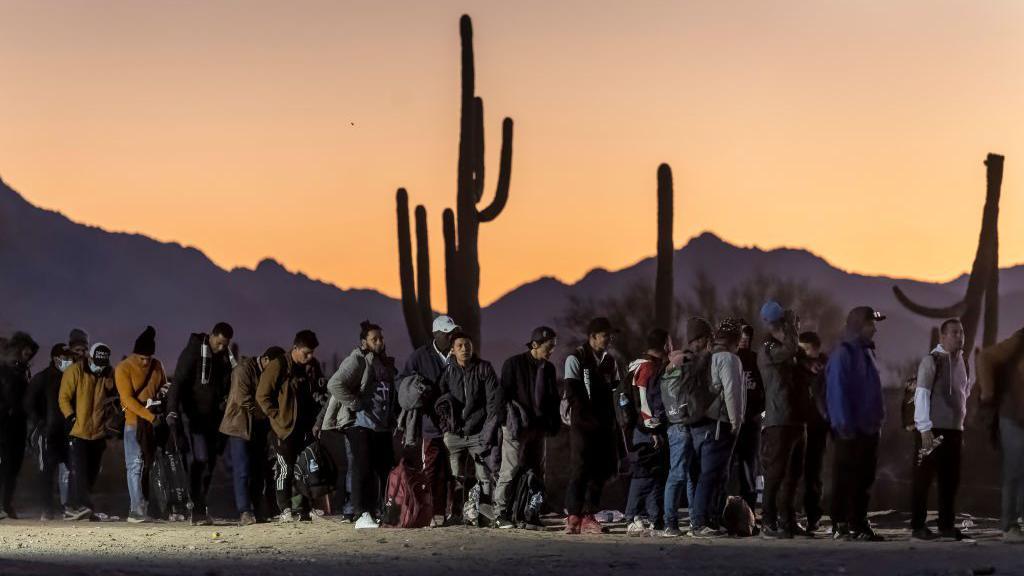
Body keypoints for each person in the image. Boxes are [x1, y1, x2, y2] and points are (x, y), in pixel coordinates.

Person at [318, 321, 398, 530]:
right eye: (374, 339)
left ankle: (382, 509)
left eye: (381, 338)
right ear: (365, 343)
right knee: (363, 468)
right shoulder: (358, 359)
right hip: (360, 424)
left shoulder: (385, 363)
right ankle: (362, 512)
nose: (380, 342)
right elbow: (334, 384)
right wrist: (355, 404)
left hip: (381, 425)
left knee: (385, 467)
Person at [826, 306, 887, 541]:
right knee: (847, 477)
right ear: (859, 326)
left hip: (868, 427)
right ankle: (843, 523)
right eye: (871, 324)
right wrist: (843, 425)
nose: (874, 329)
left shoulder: (865, 352)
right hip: (851, 430)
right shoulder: (845, 353)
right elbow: (838, 390)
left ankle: (858, 522)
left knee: (863, 478)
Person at [168, 322, 236, 525]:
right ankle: (195, 508)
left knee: (211, 464)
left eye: (225, 344)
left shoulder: (224, 358)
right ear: (212, 335)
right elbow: (178, 381)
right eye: (219, 343)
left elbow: (228, 383)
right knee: (200, 460)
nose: (221, 347)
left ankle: (199, 506)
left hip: (215, 419)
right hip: (194, 417)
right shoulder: (194, 351)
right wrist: (172, 410)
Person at [493, 326, 561, 529]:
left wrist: (553, 424)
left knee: (537, 472)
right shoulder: (513, 364)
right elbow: (502, 394)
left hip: (538, 428)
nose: (551, 352)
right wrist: (504, 421)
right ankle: (500, 512)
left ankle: (531, 512)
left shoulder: (549, 369)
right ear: (535, 345)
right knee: (510, 469)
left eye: (554, 348)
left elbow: (552, 399)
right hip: (516, 426)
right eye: (548, 347)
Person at [685, 318, 745, 539]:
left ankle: (708, 520)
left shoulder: (705, 357)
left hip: (698, 424)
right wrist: (736, 421)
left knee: (706, 474)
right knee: (711, 475)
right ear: (736, 340)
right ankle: (701, 522)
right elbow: (731, 392)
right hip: (718, 423)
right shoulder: (728, 359)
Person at [910, 318, 969, 542]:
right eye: (953, 333)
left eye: (961, 332)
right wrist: (924, 429)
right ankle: (917, 526)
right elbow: (922, 394)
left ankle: (946, 525)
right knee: (922, 480)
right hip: (932, 429)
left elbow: (964, 393)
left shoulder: (963, 362)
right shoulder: (931, 361)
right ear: (942, 337)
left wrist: (959, 425)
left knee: (950, 480)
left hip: (954, 430)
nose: (959, 336)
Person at [396, 315, 458, 526]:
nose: (451, 337)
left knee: (451, 471)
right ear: (436, 334)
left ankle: (446, 511)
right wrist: (417, 391)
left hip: (454, 425)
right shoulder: (419, 356)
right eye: (447, 334)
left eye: (452, 333)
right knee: (430, 470)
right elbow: (401, 383)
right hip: (429, 425)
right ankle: (429, 513)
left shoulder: (457, 353)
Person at [257, 330, 324, 522]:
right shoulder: (278, 365)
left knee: (305, 468)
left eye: (312, 353)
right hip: (284, 428)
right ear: (295, 348)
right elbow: (262, 395)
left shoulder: (311, 367)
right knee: (285, 469)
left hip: (305, 427)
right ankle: (285, 509)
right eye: (306, 353)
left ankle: (305, 509)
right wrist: (277, 417)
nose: (309, 357)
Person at [563, 317, 621, 535]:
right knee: (579, 469)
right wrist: (589, 419)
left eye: (610, 335)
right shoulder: (576, 358)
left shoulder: (610, 361)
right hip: (582, 425)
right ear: (593, 337)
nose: (609, 339)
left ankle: (588, 515)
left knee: (600, 471)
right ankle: (573, 516)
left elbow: (616, 392)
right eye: (606, 335)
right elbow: (573, 393)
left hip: (604, 426)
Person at [437, 331, 500, 527]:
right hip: (454, 435)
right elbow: (438, 403)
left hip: (478, 433)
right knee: (456, 477)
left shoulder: (484, 369)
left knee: (484, 476)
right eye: (460, 346)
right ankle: (456, 513)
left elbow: (493, 402)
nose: (465, 349)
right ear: (453, 350)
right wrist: (446, 428)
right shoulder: (447, 372)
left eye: (468, 345)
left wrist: (488, 430)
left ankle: (485, 514)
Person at [757, 301, 808, 540]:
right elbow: (789, 350)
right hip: (778, 420)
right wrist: (791, 331)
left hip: (797, 419)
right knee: (776, 473)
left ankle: (788, 519)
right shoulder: (768, 348)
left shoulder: (789, 349)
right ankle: (768, 521)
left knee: (794, 474)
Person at [220, 346, 285, 525]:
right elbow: (243, 399)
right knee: (242, 470)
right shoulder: (243, 370)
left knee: (258, 469)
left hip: (257, 427)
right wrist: (267, 413)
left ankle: (257, 509)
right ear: (265, 360)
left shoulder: (266, 372)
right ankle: (245, 511)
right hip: (239, 426)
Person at [662, 316, 713, 537]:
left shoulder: (677, 360)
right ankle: (672, 524)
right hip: (683, 425)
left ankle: (692, 522)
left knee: (690, 474)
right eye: (707, 339)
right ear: (699, 339)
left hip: (679, 423)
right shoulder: (688, 360)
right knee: (679, 475)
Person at [115, 326, 168, 523]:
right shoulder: (123, 367)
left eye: (148, 358)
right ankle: (135, 509)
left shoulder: (157, 364)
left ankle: (149, 507)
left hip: (152, 423)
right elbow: (127, 400)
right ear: (134, 353)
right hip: (134, 422)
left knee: (150, 465)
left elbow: (164, 384)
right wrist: (150, 416)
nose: (145, 362)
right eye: (141, 358)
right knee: (135, 465)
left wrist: (163, 392)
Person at [977, 325, 1024, 543]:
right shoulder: (1020, 339)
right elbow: (986, 357)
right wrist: (988, 395)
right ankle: (1010, 526)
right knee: (1014, 470)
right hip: (1013, 414)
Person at [58, 343, 114, 521]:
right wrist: (71, 417)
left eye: (103, 363)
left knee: (92, 472)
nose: (99, 365)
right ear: (90, 357)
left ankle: (82, 506)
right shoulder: (75, 371)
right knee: (78, 471)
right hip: (78, 431)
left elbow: (112, 394)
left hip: (98, 433)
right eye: (97, 361)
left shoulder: (106, 373)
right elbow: (64, 397)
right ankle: (74, 507)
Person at [624, 328, 669, 536]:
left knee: (654, 475)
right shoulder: (648, 367)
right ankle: (632, 516)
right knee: (643, 474)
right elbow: (644, 400)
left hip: (639, 428)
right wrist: (651, 427)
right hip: (645, 430)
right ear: (664, 345)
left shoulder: (637, 364)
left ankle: (654, 518)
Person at [25, 343, 75, 520]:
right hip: (48, 434)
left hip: (68, 433)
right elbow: (29, 404)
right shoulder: (42, 378)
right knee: (47, 472)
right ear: (56, 358)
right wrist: (40, 423)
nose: (69, 361)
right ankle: (46, 509)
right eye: (65, 358)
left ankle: (68, 508)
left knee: (70, 471)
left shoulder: (71, 378)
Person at [0, 331, 39, 519]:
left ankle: (6, 504)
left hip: (18, 424)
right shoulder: (5, 370)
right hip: (5, 425)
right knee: (5, 466)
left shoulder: (22, 371)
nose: (29, 355)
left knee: (13, 467)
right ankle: (2, 505)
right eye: (26, 351)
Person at [797, 331, 830, 534]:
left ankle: (811, 516)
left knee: (813, 472)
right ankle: (799, 514)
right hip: (799, 423)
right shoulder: (797, 365)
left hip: (816, 424)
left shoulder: (824, 367)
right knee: (799, 471)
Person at [732, 323, 764, 511]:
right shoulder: (729, 359)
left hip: (751, 423)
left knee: (749, 467)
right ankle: (724, 510)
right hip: (732, 422)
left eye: (747, 337)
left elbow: (764, 389)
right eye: (741, 336)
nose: (744, 340)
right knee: (726, 468)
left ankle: (749, 510)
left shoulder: (755, 360)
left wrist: (759, 412)